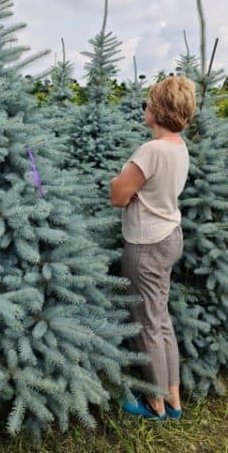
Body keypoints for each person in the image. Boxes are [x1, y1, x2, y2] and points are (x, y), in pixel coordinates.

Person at [109, 75, 197, 420]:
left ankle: (155, 404)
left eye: (147, 102)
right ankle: (173, 400)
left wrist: (117, 179)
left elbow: (119, 196)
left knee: (146, 323)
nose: (144, 107)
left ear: (157, 110)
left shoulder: (151, 150)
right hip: (169, 236)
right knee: (160, 319)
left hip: (146, 244)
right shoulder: (178, 147)